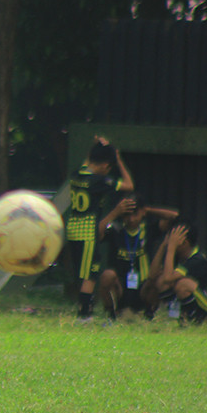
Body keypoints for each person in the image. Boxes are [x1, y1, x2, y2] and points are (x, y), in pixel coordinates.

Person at [65, 136, 135, 321]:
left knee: (82, 272)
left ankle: (84, 311)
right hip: (88, 230)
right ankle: (84, 315)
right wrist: (118, 159)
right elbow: (129, 185)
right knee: (91, 274)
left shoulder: (77, 174)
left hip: (72, 228)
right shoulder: (101, 180)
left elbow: (89, 160)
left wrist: (96, 146)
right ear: (106, 164)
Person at [96, 193, 178, 320]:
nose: (131, 219)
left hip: (143, 287)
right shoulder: (115, 229)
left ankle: (149, 313)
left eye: (135, 214)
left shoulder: (149, 229)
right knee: (107, 275)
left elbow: (174, 217)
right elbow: (97, 233)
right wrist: (115, 212)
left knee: (159, 276)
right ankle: (111, 314)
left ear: (142, 213)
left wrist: (147, 210)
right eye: (127, 215)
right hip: (120, 287)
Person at [157, 216, 207, 323]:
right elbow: (153, 275)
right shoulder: (177, 256)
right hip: (200, 300)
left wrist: (171, 248)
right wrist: (163, 246)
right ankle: (177, 318)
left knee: (184, 284)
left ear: (185, 242)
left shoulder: (197, 259)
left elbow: (168, 277)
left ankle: (200, 320)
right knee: (161, 281)